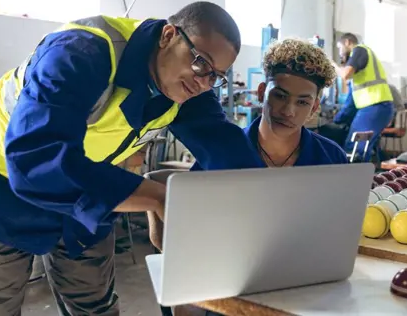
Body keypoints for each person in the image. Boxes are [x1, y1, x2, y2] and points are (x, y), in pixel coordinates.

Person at [0, 2, 256, 316]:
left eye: (216, 76)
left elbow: (227, 149)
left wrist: (267, 200)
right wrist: (158, 197)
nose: (204, 82)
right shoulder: (82, 52)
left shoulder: (187, 88)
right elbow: (37, 158)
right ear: (167, 35)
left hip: (86, 180)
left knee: (95, 304)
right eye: (201, 62)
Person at [147, 37, 347, 247]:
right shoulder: (223, 152)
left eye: (303, 102)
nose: (289, 111)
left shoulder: (331, 158)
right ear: (262, 93)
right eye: (279, 96)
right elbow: (188, 233)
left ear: (314, 107)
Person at [333, 33, 394, 161]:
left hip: (375, 106)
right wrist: (339, 118)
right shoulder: (361, 71)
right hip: (378, 107)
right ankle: (365, 179)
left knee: (354, 149)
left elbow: (345, 74)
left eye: (340, 47)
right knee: (364, 148)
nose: (340, 52)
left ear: (348, 42)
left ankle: (352, 180)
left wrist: (331, 65)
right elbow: (352, 101)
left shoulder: (359, 50)